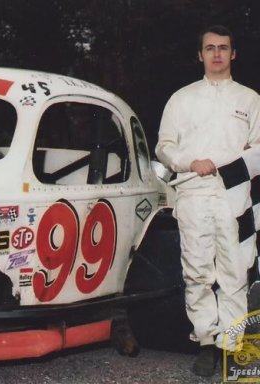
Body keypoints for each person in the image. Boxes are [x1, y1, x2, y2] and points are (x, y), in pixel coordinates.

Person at [155, 25, 260, 377]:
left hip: (235, 196)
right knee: (197, 270)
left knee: (235, 269)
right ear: (200, 55)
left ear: (234, 54)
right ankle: (205, 342)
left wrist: (235, 168)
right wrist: (189, 162)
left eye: (223, 48)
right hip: (193, 192)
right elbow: (164, 147)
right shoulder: (181, 99)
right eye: (210, 48)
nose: (217, 54)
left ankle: (230, 345)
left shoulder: (250, 100)